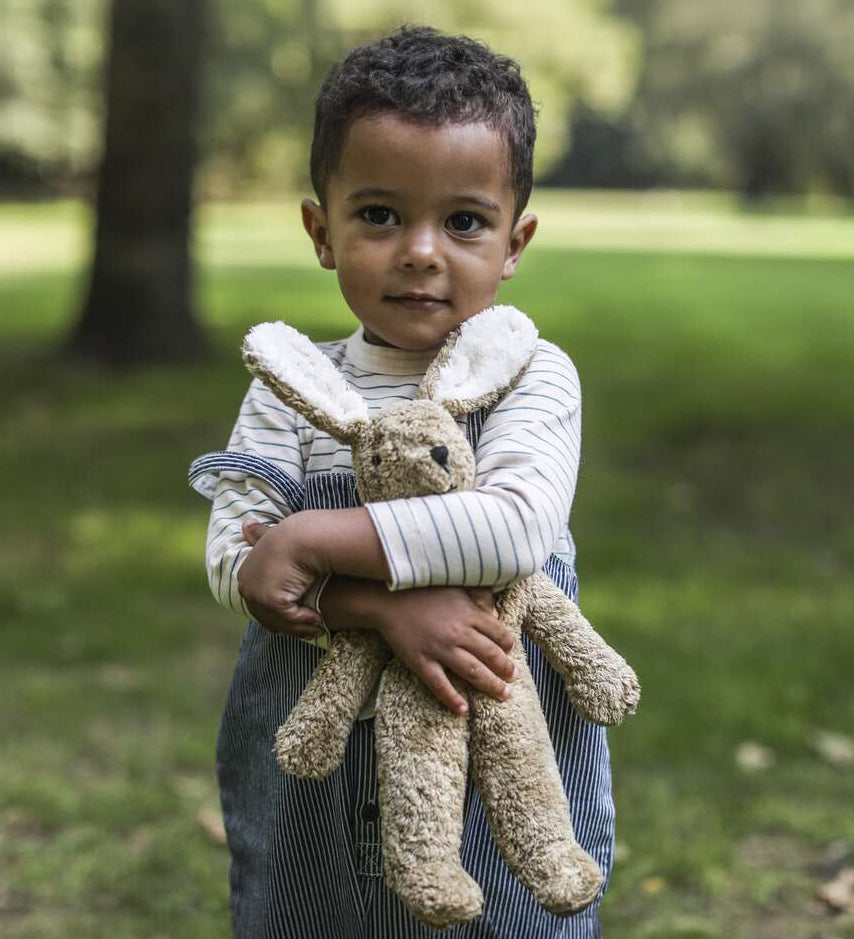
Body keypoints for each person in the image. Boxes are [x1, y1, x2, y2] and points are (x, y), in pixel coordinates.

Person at [189, 25, 614, 939]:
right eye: (380, 215)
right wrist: (379, 608)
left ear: (514, 242)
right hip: (321, 765)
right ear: (321, 230)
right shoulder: (293, 387)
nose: (421, 251)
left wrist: (309, 543)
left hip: (492, 739)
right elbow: (241, 562)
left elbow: (508, 530)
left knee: (500, 914)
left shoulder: (530, 375)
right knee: (319, 913)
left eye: (463, 221)